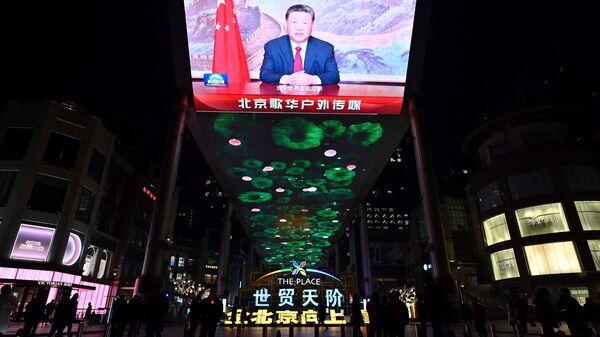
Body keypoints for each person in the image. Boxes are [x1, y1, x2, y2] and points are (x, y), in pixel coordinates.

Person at [259, 4, 340, 86]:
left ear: (312, 25)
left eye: (305, 23)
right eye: (294, 22)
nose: (299, 28)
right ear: (286, 23)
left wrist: (313, 79)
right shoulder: (272, 47)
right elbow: (265, 74)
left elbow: (334, 76)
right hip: (283, 97)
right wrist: (286, 79)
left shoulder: (325, 49)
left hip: (313, 97)